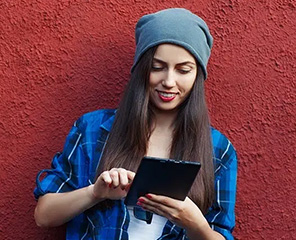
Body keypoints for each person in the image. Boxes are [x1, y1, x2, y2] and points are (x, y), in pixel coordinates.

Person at [33, 8, 237, 240]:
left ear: (197, 75)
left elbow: (221, 233)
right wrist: (95, 193)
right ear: (141, 69)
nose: (169, 81)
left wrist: (195, 224)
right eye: (157, 67)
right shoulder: (91, 129)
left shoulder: (219, 150)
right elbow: (44, 215)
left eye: (183, 70)